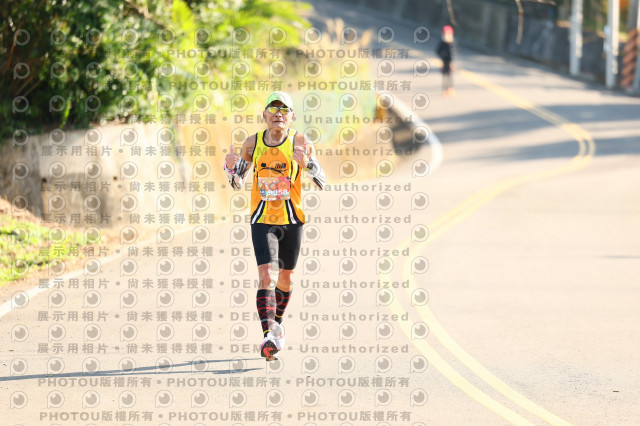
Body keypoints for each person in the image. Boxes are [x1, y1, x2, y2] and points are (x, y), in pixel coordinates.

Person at [223, 92, 326, 361]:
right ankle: (269, 334)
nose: (278, 113)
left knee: (285, 278)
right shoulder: (252, 143)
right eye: (273, 108)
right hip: (262, 218)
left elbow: (322, 182)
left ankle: (276, 324)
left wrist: (307, 165)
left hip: (292, 219)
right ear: (264, 115)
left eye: (284, 109)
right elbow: (237, 182)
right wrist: (230, 169)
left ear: (292, 116)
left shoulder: (300, 142)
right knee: (267, 275)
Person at [436, 25, 456, 96]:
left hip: (449, 62)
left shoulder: (452, 42)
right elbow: (438, 51)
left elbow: (453, 53)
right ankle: (445, 90)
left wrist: (451, 62)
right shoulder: (443, 42)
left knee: (450, 76)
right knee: (445, 76)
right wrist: (443, 58)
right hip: (445, 61)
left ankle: (450, 89)